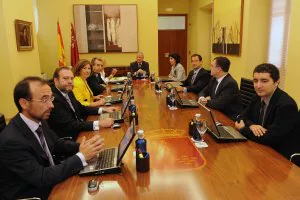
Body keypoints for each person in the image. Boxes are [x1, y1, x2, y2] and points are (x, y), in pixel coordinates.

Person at [0, 76, 105, 199]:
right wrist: (81, 157)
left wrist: (84, 148)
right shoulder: (12, 140)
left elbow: (56, 144)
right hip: (33, 192)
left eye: (51, 98)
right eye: (44, 100)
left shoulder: (39, 119)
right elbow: (41, 177)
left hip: (50, 180)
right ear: (24, 103)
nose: (51, 105)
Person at [235, 63, 299, 159]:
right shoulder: (257, 96)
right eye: (255, 81)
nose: (258, 86)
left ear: (276, 82)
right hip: (259, 148)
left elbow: (269, 138)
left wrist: (243, 129)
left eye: (264, 81)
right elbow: (241, 117)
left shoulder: (286, 105)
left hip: (279, 155)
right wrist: (252, 126)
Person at [48, 67, 115, 140]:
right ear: (56, 80)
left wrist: (103, 110)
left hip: (79, 130)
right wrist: (99, 123)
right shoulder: (53, 98)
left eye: (71, 78)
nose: (70, 81)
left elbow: (81, 108)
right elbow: (70, 125)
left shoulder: (68, 91)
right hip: (69, 139)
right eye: (65, 78)